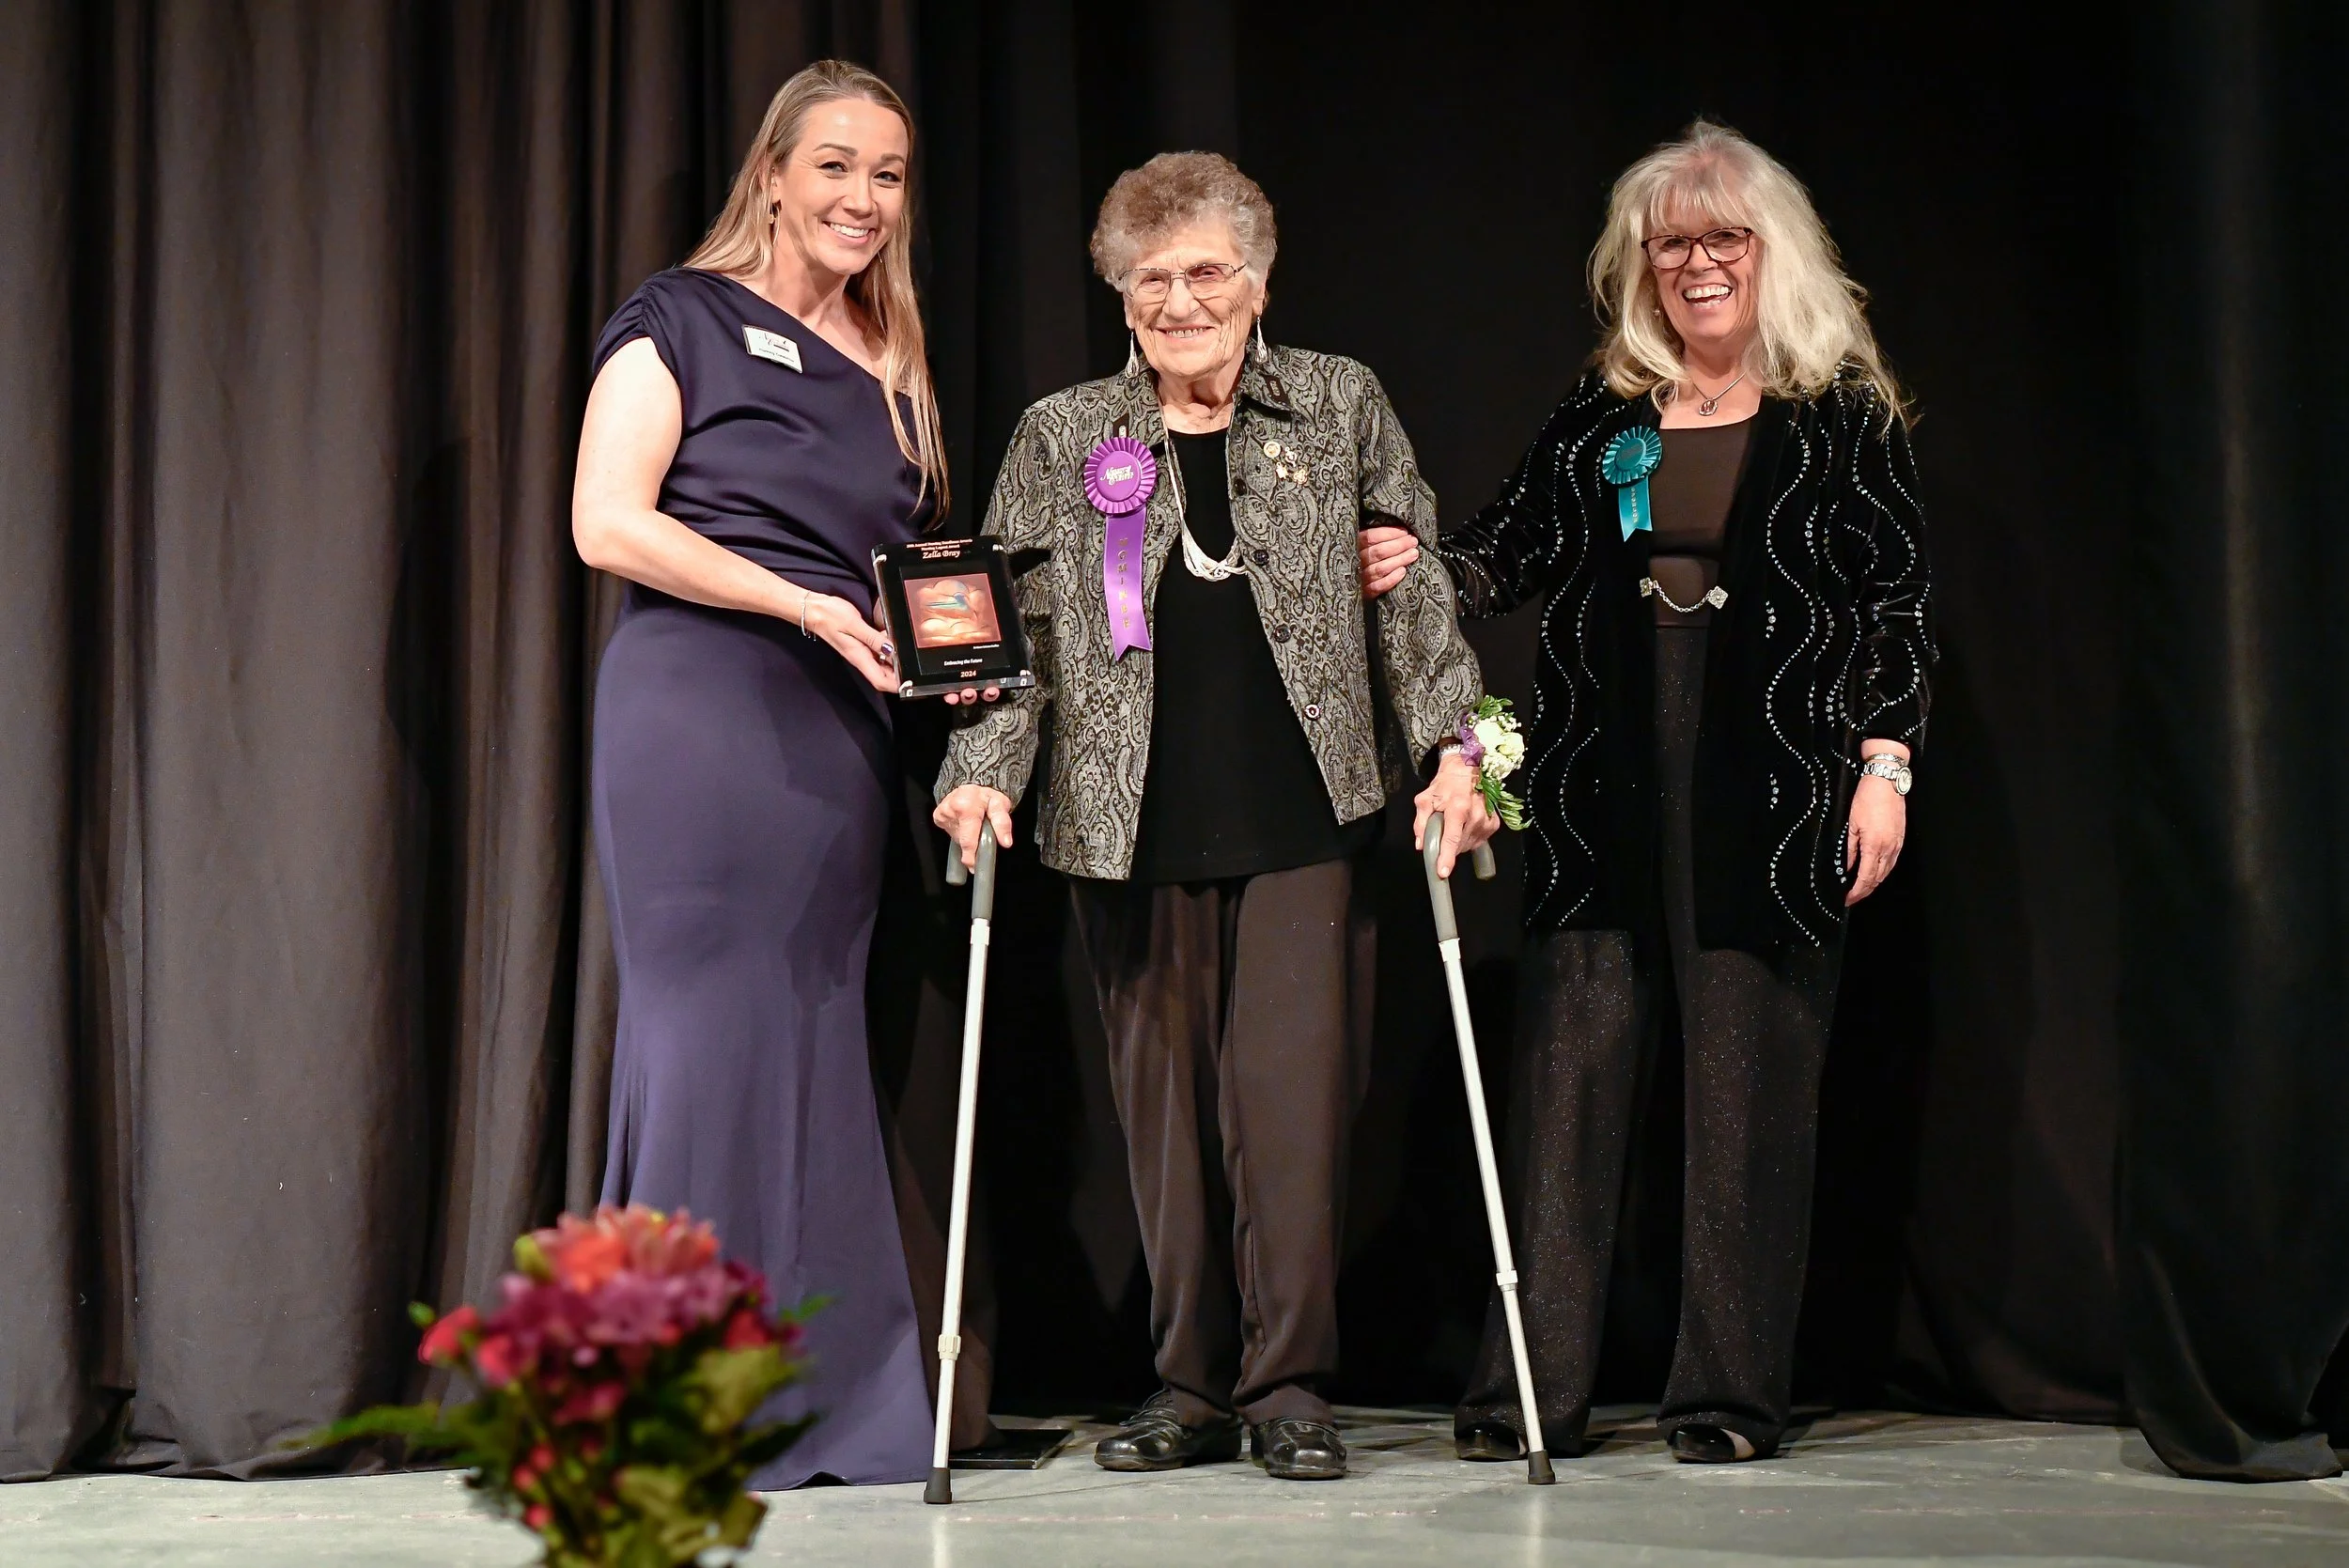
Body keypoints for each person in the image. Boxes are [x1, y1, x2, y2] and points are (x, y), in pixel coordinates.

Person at [1359, 120, 1933, 1465]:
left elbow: (1897, 608)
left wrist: (1885, 766)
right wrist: (1416, 564)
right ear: (1642, 264)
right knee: (1567, 1087)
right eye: (1671, 243)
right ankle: (1525, 1397)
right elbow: (1510, 549)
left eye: (1722, 238)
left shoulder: (1842, 416)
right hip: (1598, 775)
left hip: (1777, 783)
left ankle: (1726, 1399)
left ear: (1769, 254)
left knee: (1745, 1104)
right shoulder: (1608, 413)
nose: (1696, 264)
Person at [933, 152, 1492, 1482]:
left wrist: (1458, 750)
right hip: (1122, 824)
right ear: (1120, 295)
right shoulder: (1066, 434)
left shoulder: (1339, 402)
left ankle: (1289, 1382)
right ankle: (1187, 1383)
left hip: (1304, 812)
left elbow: (1412, 594)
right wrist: (984, 767)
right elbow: (1023, 639)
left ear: (1257, 280)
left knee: (1290, 1111)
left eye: (1206, 272)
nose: (1181, 301)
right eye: (1151, 279)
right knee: (1164, 1125)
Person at [570, 61, 957, 1488]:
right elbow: (606, 523)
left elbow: (907, 567)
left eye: (891, 175)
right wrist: (794, 604)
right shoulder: (679, 315)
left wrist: (942, 652)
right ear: (776, 174)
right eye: (839, 167)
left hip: (840, 734)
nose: (865, 199)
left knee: (807, 1043)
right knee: (703, 1043)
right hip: (702, 707)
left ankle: (816, 1409)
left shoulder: (892, 354)